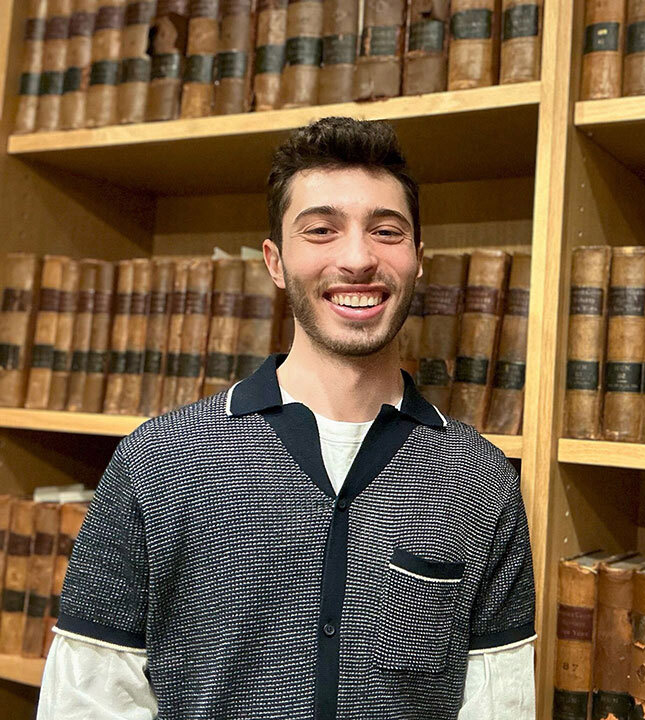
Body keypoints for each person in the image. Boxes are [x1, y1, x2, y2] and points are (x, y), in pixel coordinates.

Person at [37, 117, 536, 719]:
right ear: (275, 262)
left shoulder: (482, 482)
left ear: (418, 260)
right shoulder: (156, 460)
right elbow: (86, 702)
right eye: (322, 230)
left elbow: (499, 707)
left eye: (386, 232)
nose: (358, 258)